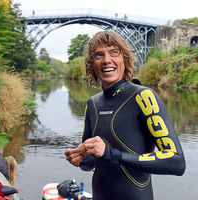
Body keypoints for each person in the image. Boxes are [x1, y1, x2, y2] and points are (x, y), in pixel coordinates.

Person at [64, 31, 186, 200]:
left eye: (114, 52)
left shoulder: (143, 97)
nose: (107, 59)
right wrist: (81, 158)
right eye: (99, 55)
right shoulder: (92, 104)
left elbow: (176, 162)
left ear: (125, 59)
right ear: (92, 64)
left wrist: (112, 154)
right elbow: (91, 162)